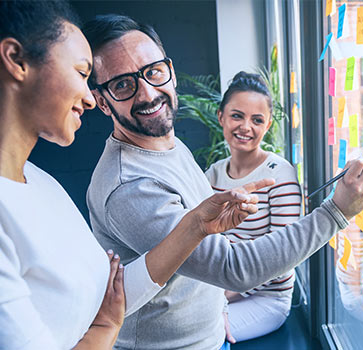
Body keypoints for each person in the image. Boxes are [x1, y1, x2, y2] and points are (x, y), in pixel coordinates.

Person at [84, 14, 363, 350]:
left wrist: (216, 306)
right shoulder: (130, 187)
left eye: (153, 72)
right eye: (123, 84)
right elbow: (230, 266)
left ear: (171, 72)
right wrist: (337, 212)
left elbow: (202, 258)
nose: (148, 93)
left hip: (210, 334)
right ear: (102, 101)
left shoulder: (169, 145)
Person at [0, 2, 267, 349]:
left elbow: (110, 293)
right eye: (82, 73)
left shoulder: (40, 183)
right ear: (17, 61)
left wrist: (196, 225)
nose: (90, 99)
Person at [205, 72, 301, 341]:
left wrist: (218, 299)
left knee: (198, 335)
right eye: (237, 116)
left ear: (267, 125)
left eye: (257, 120)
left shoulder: (280, 175)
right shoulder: (212, 174)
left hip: (265, 298)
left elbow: (282, 258)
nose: (245, 127)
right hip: (216, 288)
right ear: (221, 116)